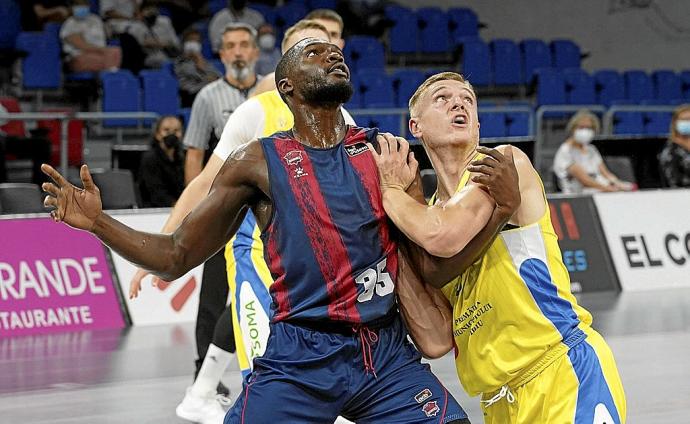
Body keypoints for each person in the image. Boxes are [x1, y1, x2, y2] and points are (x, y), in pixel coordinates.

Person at [39, 38, 524, 423]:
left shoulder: (385, 153)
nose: (333, 54)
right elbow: (176, 255)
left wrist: (500, 209)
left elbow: (427, 269)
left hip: (385, 352)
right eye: (315, 53)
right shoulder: (256, 161)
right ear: (287, 87)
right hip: (301, 356)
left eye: (336, 51)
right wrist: (98, 223)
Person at [370, 72, 627, 423]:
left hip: (561, 371)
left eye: (467, 99)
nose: (458, 103)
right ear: (416, 126)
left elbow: (442, 236)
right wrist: (394, 229)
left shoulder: (502, 164)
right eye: (442, 99)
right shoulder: (424, 212)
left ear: (477, 124)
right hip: (498, 401)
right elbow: (434, 340)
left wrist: (388, 191)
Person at [129, 20, 351, 424]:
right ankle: (202, 391)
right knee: (265, 376)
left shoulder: (343, 119)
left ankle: (200, 392)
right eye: (308, 51)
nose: (323, 57)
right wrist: (162, 243)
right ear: (283, 67)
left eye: (328, 47)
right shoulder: (254, 113)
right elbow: (203, 182)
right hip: (255, 254)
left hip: (311, 266)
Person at [184, 23, 260, 184]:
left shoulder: (273, 92)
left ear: (256, 52)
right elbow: (195, 154)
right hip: (225, 189)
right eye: (230, 46)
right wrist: (195, 205)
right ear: (222, 55)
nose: (238, 53)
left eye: (244, 45)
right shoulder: (207, 96)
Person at [553, 109, 634, 194]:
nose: (585, 131)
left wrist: (618, 183)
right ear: (573, 128)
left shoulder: (591, 150)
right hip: (577, 193)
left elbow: (605, 173)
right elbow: (585, 180)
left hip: (599, 189)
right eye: (581, 127)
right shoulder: (566, 151)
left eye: (589, 128)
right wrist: (608, 189)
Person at [60, 0, 122, 72]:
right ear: (71, 7)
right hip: (78, 56)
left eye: (84, 4)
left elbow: (106, 35)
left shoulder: (96, 19)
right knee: (110, 54)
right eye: (78, 4)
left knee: (116, 51)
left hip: (101, 53)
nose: (82, 7)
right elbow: (81, 45)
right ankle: (110, 77)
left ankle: (112, 76)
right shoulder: (70, 24)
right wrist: (102, 50)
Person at [138, 115, 185, 207]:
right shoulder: (150, 158)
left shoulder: (183, 158)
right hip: (154, 210)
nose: (171, 134)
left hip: (179, 208)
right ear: (158, 134)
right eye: (166, 130)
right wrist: (179, 207)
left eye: (176, 131)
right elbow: (156, 193)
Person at [174, 28, 221, 107]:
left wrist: (201, 62)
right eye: (191, 40)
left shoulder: (204, 61)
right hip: (190, 96)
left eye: (197, 41)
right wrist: (201, 67)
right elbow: (196, 75)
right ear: (184, 43)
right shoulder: (180, 62)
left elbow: (219, 77)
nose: (194, 43)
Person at [126, 2, 180, 69]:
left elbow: (176, 42)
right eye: (148, 9)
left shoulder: (165, 21)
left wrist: (164, 43)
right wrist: (145, 43)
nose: (151, 12)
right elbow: (135, 45)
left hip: (169, 54)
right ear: (141, 12)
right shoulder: (137, 26)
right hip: (148, 57)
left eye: (153, 9)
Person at [659, 104, 690, 187]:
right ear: (675, 123)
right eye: (684, 120)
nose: (688, 122)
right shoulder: (670, 150)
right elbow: (674, 180)